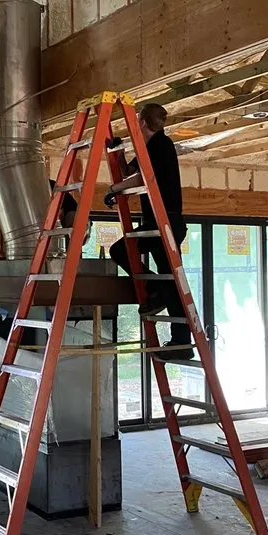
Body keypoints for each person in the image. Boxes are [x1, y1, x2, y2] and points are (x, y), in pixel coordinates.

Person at [105, 102, 192, 360]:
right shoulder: (146, 149)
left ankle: (179, 336)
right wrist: (117, 152)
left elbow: (143, 179)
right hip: (157, 224)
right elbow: (129, 172)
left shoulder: (162, 146)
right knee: (166, 278)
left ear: (141, 122)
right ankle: (180, 338)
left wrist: (114, 189)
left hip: (166, 223)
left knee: (121, 250)